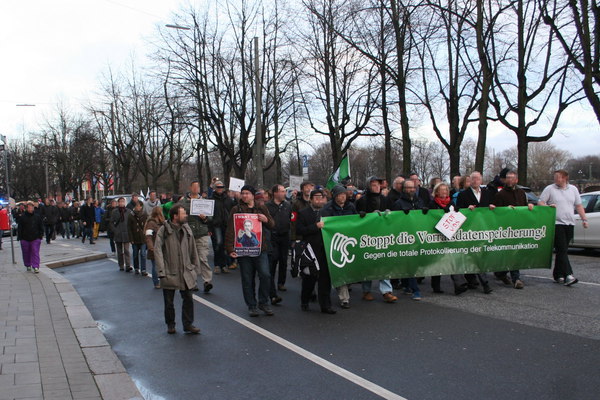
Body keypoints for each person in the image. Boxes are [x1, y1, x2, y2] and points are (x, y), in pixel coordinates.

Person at [225, 185, 276, 317]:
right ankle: (252, 305)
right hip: (243, 251)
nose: (244, 196)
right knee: (247, 279)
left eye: (247, 193)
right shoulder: (236, 209)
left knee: (265, 275)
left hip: (260, 249)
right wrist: (230, 248)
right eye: (243, 193)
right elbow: (230, 229)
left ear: (253, 195)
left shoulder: (261, 208)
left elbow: (272, 225)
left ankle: (263, 302)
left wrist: (265, 220)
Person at [155, 204, 201, 334]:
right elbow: (158, 250)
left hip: (185, 270)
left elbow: (193, 249)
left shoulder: (186, 230)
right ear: (175, 216)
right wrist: (161, 271)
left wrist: (194, 268)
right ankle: (171, 324)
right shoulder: (163, 230)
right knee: (169, 302)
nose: (185, 215)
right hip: (170, 270)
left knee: (188, 299)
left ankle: (188, 324)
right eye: (183, 213)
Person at [538, 169, 588, 286]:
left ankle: (558, 274)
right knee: (561, 248)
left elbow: (578, 205)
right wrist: (549, 207)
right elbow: (540, 202)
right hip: (556, 223)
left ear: (565, 178)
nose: (556, 179)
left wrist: (584, 219)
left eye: (558, 177)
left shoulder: (573, 189)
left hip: (569, 223)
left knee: (563, 250)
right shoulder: (550, 189)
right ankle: (568, 275)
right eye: (554, 177)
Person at [355, 176, 397, 303]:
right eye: (373, 184)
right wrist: (366, 215)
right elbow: (356, 217)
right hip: (368, 236)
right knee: (368, 262)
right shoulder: (362, 200)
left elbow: (394, 215)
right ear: (368, 186)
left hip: (383, 235)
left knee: (384, 262)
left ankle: (386, 291)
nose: (377, 186)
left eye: (378, 184)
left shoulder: (385, 199)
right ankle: (366, 290)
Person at [296, 188, 336, 313]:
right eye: (316, 198)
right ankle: (305, 301)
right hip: (310, 251)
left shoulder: (328, 213)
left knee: (325, 279)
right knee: (309, 278)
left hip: (325, 249)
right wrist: (315, 227)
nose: (320, 200)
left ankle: (325, 305)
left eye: (322, 197)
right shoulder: (303, 213)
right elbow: (299, 230)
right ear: (311, 199)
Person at [491, 170, 532, 289]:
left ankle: (511, 276)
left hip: (518, 228)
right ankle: (511, 276)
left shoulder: (521, 193)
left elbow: (524, 208)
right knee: (509, 253)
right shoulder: (500, 194)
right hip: (505, 228)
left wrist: (529, 207)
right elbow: (496, 212)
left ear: (516, 180)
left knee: (515, 252)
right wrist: (505, 210)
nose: (509, 180)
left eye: (512, 178)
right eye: (508, 178)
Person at [456, 172, 494, 294]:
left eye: (478, 179)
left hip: (482, 229)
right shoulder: (463, 194)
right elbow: (458, 210)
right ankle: (475, 280)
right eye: (473, 179)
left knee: (479, 256)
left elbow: (492, 206)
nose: (476, 181)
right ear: (470, 181)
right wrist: (467, 209)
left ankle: (484, 282)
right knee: (470, 255)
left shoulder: (487, 193)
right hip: (469, 230)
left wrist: (492, 207)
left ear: (481, 180)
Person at [320, 184, 357, 309]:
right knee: (338, 268)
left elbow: (356, 221)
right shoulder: (327, 209)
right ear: (335, 196)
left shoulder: (350, 206)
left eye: (344, 195)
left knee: (347, 269)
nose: (343, 197)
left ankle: (345, 287)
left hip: (349, 241)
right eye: (340, 195)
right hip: (334, 242)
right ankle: (344, 298)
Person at [179, 181, 214, 293]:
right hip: (188, 234)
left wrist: (205, 218)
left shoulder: (204, 202)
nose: (195, 188)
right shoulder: (183, 202)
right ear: (190, 188)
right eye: (194, 186)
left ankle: (207, 281)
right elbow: (178, 216)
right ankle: (192, 282)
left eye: (197, 187)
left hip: (202, 233)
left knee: (203, 258)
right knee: (189, 259)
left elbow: (210, 218)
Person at [392, 179, 423, 300]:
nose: (411, 190)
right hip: (405, 237)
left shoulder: (419, 201)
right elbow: (395, 221)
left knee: (410, 262)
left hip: (418, 235)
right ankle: (416, 289)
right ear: (404, 189)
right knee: (410, 262)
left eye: (413, 187)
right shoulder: (398, 203)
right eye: (409, 188)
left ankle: (406, 285)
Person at [266, 184, 292, 299]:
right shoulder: (267, 206)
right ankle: (270, 284)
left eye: (284, 191)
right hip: (273, 237)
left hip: (285, 236)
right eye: (282, 191)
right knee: (273, 260)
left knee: (283, 260)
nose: (284, 193)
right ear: (275, 193)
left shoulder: (287, 205)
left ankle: (281, 282)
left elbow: (291, 220)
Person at [210, 181, 233, 274]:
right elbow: (208, 215)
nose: (220, 188)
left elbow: (233, 209)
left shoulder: (228, 199)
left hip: (226, 225)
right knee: (218, 244)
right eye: (218, 187)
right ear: (215, 188)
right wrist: (209, 228)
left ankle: (224, 265)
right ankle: (217, 265)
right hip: (216, 225)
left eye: (222, 187)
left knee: (225, 245)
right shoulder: (210, 199)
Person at [17, 201, 44, 273]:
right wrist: (20, 237)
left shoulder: (37, 217)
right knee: (26, 252)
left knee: (35, 251)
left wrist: (40, 236)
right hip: (25, 238)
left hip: (35, 237)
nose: (30, 209)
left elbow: (41, 226)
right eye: (29, 207)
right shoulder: (23, 217)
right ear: (26, 208)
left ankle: (36, 266)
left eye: (31, 207)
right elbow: (20, 228)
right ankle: (28, 264)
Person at [145, 206, 165, 289]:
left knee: (161, 265)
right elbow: (148, 236)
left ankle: (162, 281)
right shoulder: (151, 223)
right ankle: (156, 282)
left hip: (162, 247)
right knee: (155, 266)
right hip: (154, 248)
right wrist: (151, 247)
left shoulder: (162, 223)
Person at [111, 197, 132, 272]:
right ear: (118, 203)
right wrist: (115, 230)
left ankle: (128, 265)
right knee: (119, 251)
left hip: (126, 233)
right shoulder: (115, 212)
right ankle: (121, 265)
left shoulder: (128, 211)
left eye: (123, 201)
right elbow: (111, 222)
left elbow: (131, 222)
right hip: (118, 233)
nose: (122, 203)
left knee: (127, 250)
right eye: (120, 202)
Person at [127, 200, 148, 276]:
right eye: (136, 206)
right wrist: (131, 239)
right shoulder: (131, 215)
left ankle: (143, 269)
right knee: (135, 254)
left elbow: (146, 226)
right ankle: (136, 268)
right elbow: (129, 228)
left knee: (143, 254)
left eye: (139, 206)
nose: (138, 207)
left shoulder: (144, 214)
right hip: (134, 237)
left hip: (142, 238)